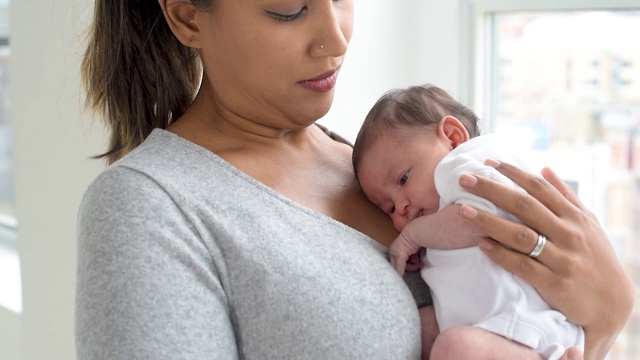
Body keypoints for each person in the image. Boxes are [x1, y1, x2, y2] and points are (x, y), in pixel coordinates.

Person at [76, 1, 634, 359]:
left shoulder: (376, 166)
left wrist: (606, 320)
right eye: (289, 9)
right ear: (188, 15)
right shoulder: (149, 206)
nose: (336, 38)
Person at [352, 84, 586, 359]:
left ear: (452, 138)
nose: (401, 207)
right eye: (389, 208)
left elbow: (479, 222)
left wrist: (413, 236)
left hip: (528, 329)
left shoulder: (471, 163)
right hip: (498, 329)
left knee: (454, 347)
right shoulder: (442, 201)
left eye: (404, 178)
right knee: (422, 326)